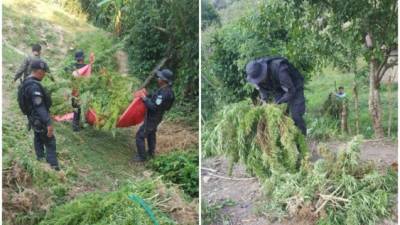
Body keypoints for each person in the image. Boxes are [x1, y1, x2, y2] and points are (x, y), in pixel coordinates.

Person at [246, 56, 307, 135]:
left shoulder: (279, 69)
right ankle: (288, 139)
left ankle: (302, 137)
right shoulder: (257, 78)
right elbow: (262, 91)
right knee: (279, 115)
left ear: (264, 71)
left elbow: (291, 91)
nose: (260, 81)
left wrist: (278, 102)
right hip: (278, 90)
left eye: (260, 78)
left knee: (296, 115)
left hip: (294, 86)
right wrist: (265, 102)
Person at [18, 59, 60, 170]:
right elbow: (39, 106)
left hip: (33, 118)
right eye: (44, 72)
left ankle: (40, 161)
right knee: (50, 141)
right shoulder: (34, 86)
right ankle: (53, 168)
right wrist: (48, 122)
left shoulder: (26, 82)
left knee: (38, 138)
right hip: (39, 119)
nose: (45, 74)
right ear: (39, 71)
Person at [132, 69, 175, 162]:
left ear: (164, 80)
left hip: (153, 117)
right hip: (157, 117)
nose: (157, 79)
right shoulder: (166, 90)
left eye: (159, 78)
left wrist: (144, 99)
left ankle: (142, 157)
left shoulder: (164, 93)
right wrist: (148, 95)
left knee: (140, 135)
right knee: (151, 133)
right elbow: (156, 98)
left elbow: (154, 107)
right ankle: (151, 153)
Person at [65, 50, 93, 131]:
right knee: (79, 109)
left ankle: (76, 123)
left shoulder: (72, 66)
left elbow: (65, 70)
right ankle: (75, 126)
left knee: (76, 108)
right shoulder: (85, 66)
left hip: (73, 90)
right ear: (83, 58)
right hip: (82, 91)